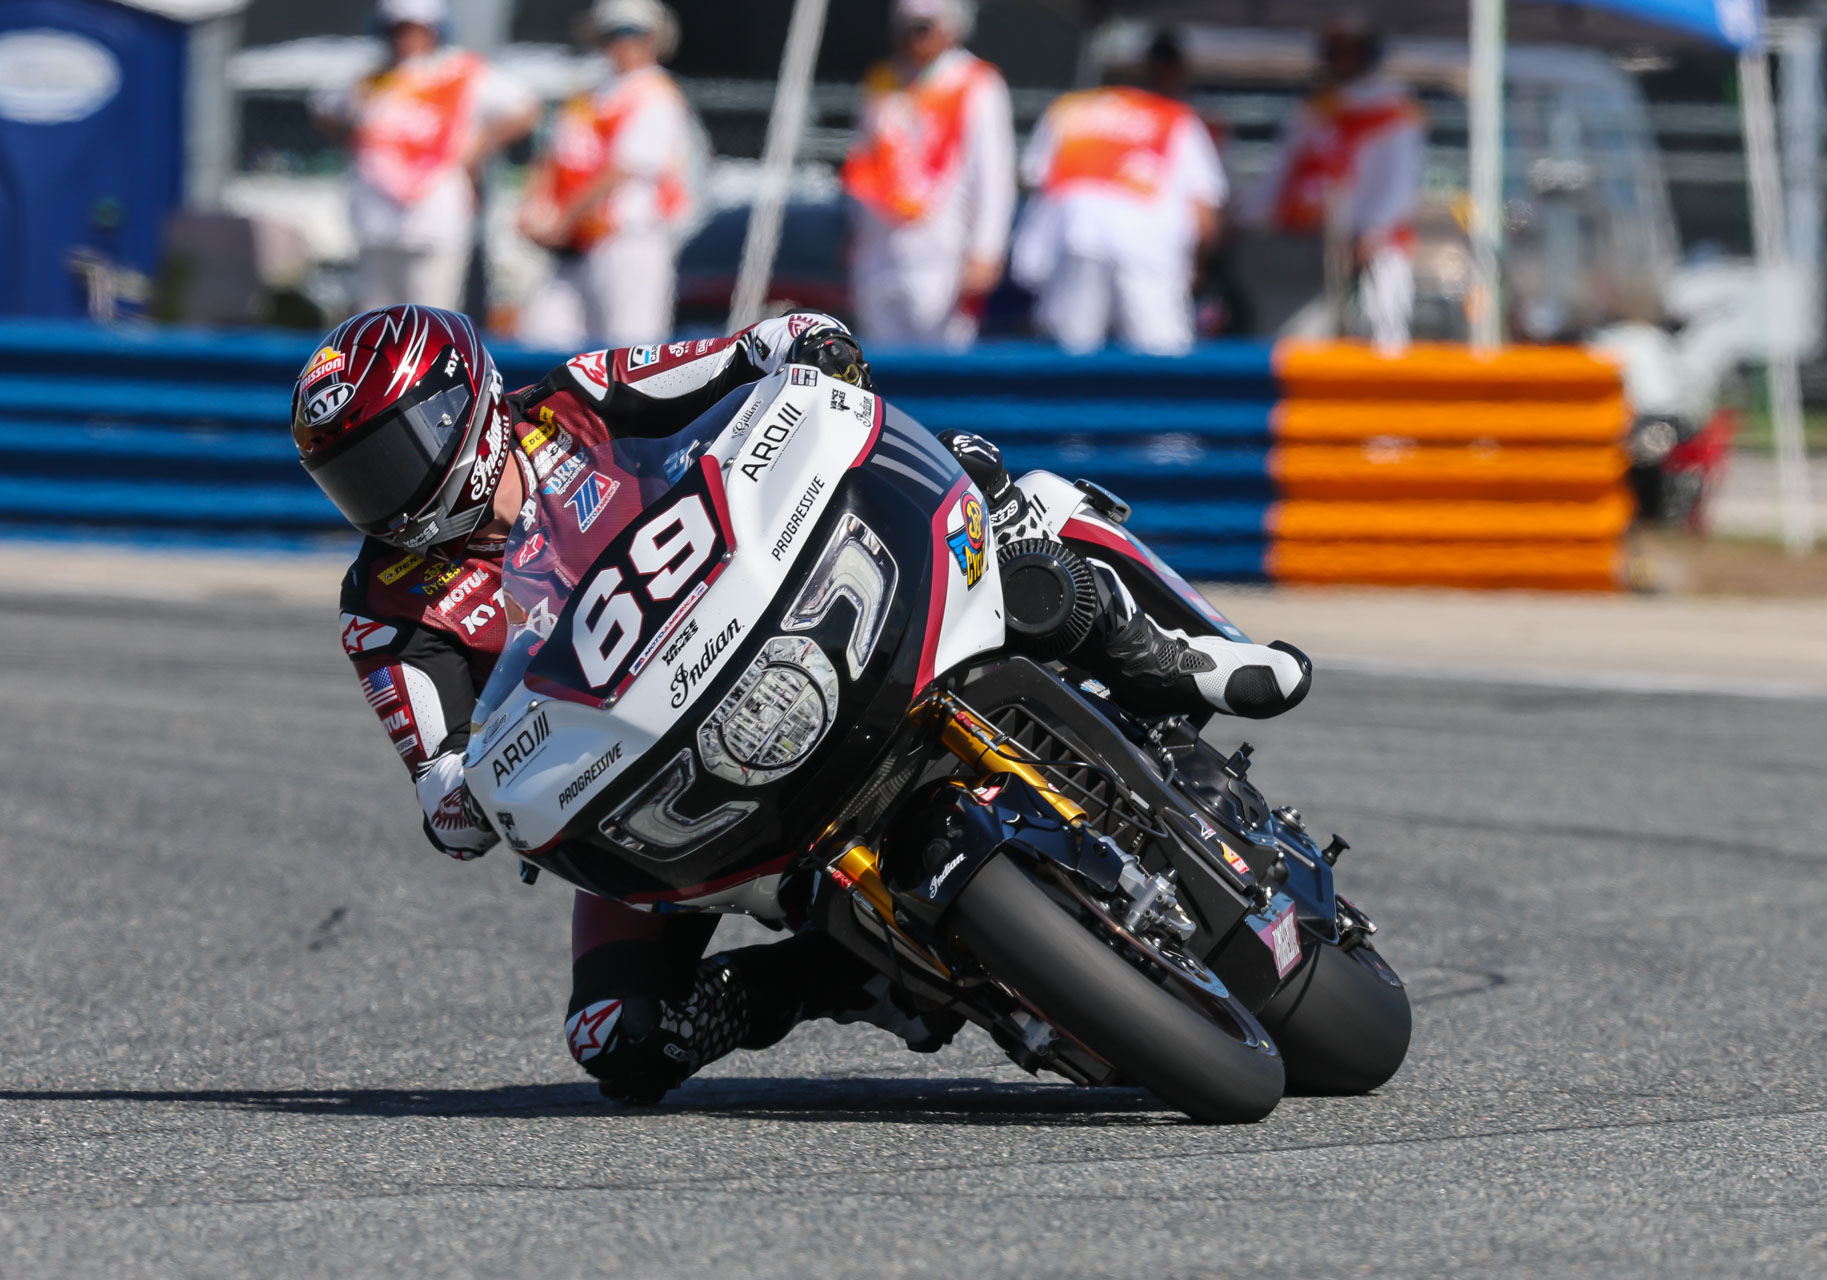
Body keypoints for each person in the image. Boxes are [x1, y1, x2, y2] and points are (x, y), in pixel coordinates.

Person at [291, 305, 1311, 1105]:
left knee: (1006, 501)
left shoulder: (579, 398)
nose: (380, 496)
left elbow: (745, 356)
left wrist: (807, 346)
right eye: (351, 479)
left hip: (795, 608)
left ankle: (1184, 649)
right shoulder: (385, 606)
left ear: (463, 403)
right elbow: (438, 766)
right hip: (656, 763)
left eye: (391, 453)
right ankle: (841, 975)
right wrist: (461, 798)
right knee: (621, 1039)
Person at [310, 0, 539, 313]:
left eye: (416, 28)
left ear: (435, 30)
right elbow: (322, 109)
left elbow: (526, 109)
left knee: (432, 316)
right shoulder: (371, 77)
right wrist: (355, 141)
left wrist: (478, 147)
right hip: (375, 216)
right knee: (375, 317)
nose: (407, 37)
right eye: (399, 28)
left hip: (435, 215)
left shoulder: (460, 71)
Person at [1010, 29, 1226, 356]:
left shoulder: (1068, 110)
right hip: (1147, 244)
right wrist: (1198, 266)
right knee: (1162, 359)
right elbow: (1204, 212)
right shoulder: (1176, 118)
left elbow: (1032, 180)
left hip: (1075, 235)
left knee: (1069, 358)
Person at [517, 0, 700, 350]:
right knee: (542, 337)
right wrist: (532, 208)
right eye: (614, 32)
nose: (624, 41)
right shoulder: (589, 93)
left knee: (629, 353)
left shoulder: (656, 94)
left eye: (634, 32)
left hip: (630, 238)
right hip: (576, 243)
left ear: (656, 38)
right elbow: (552, 157)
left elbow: (623, 169)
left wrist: (562, 219)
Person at [1244, 15, 1424, 354]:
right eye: (1335, 50)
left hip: (1378, 244)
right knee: (1307, 331)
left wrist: (1376, 231)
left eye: (1350, 50)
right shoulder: (1314, 110)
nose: (1341, 59)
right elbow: (1281, 172)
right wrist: (1245, 216)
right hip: (1313, 242)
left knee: (1384, 326)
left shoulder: (1395, 107)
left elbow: (1402, 178)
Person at [842, 0, 1015, 349]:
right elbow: (863, 161)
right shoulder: (882, 81)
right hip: (880, 243)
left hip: (943, 246)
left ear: (952, 28)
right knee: (877, 359)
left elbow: (994, 174)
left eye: (924, 27)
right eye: (907, 27)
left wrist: (987, 249)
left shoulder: (977, 82)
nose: (914, 37)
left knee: (940, 357)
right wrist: (852, 231)